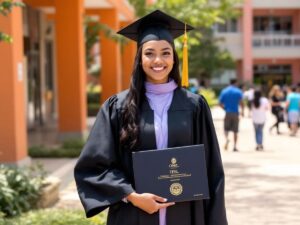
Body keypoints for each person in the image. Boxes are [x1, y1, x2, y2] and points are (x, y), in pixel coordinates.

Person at [74, 10, 227, 225]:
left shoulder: (194, 106)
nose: (158, 60)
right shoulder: (118, 106)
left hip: (186, 214)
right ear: (139, 58)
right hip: (134, 214)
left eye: (166, 52)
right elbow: (93, 166)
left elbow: (212, 171)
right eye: (149, 53)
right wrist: (132, 196)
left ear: (174, 57)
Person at [219, 79, 243, 152]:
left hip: (227, 112)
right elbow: (241, 102)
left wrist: (225, 109)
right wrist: (243, 111)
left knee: (226, 129)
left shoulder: (224, 91)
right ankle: (235, 146)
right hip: (235, 112)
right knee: (235, 130)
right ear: (235, 83)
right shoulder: (238, 91)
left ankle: (227, 139)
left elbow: (220, 103)